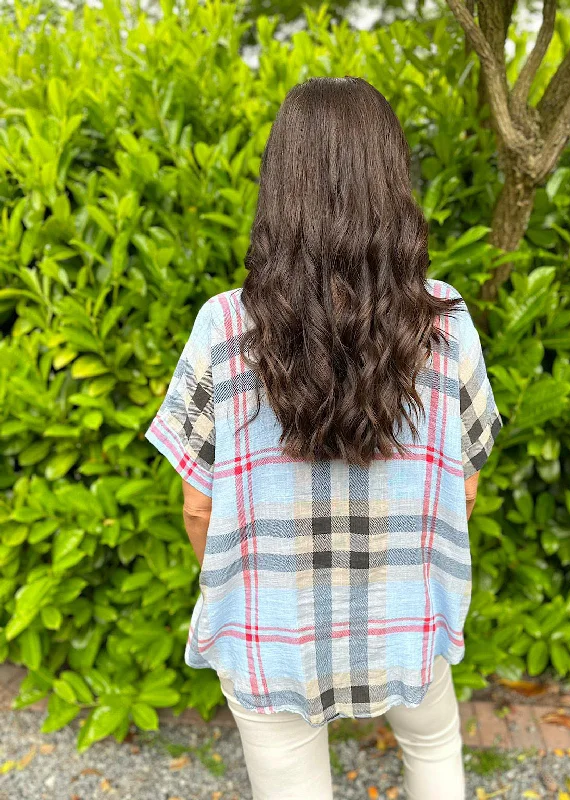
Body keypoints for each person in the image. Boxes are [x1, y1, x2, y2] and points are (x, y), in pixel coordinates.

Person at [145, 76, 502, 800]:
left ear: (281, 183)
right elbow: (462, 487)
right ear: (392, 180)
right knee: (433, 748)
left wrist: (244, 587)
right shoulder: (447, 324)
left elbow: (198, 508)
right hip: (407, 616)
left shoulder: (223, 327)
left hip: (270, 625)